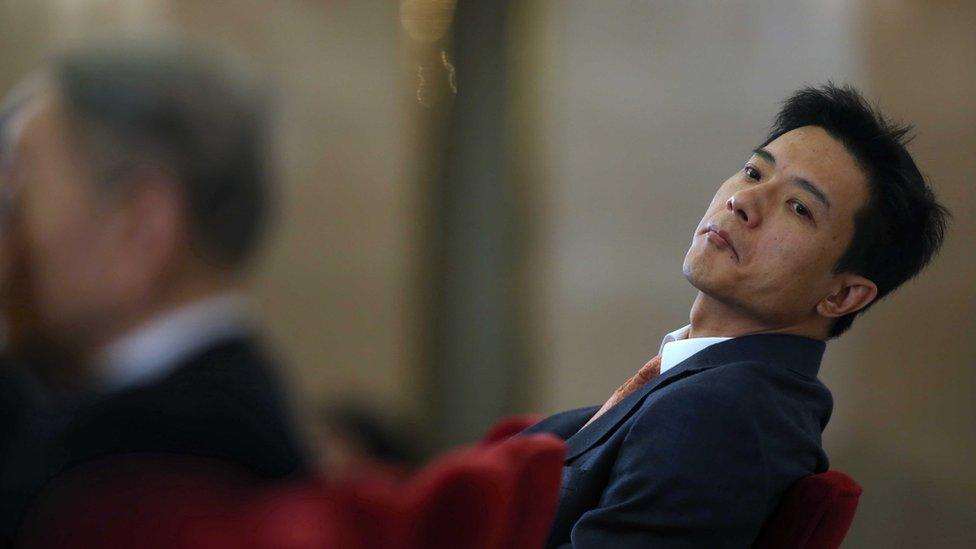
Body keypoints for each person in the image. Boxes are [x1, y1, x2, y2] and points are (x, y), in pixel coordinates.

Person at [523, 84, 949, 548]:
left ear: (843, 295)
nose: (742, 202)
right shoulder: (703, 390)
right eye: (752, 172)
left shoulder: (724, 415)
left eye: (799, 207)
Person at [0, 41, 310, 541]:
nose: (9, 241)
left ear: (141, 227)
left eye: (17, 196)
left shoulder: (155, 459)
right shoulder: (201, 408)